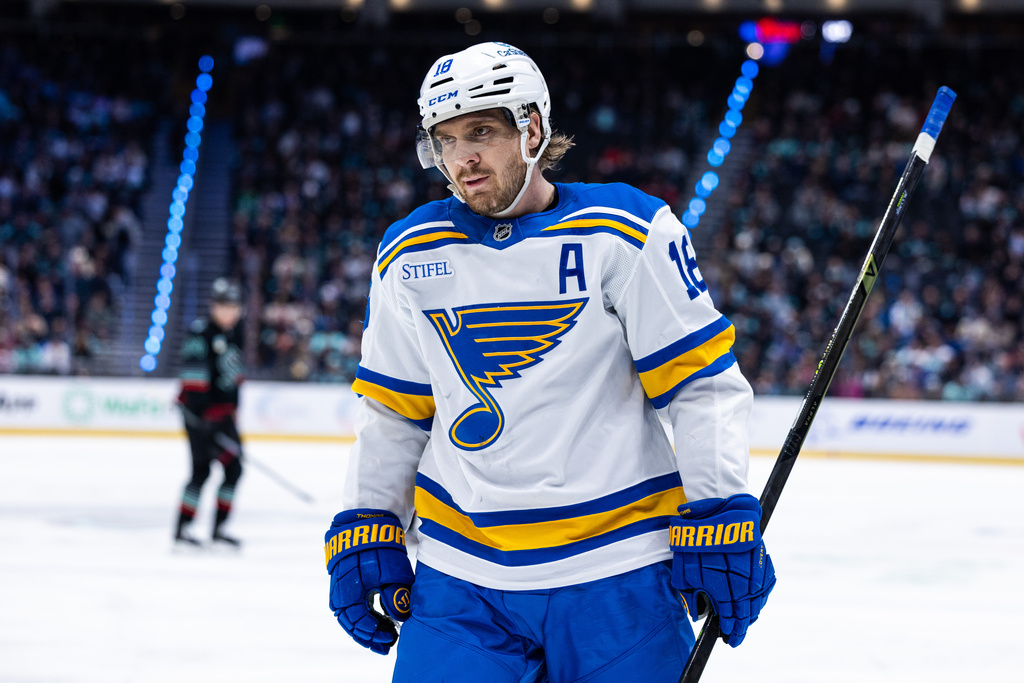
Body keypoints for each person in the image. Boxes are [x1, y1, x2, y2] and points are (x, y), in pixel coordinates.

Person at [323, 42, 776, 682]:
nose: (462, 159)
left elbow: (700, 387)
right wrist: (370, 521)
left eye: (480, 131)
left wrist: (720, 510)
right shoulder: (407, 252)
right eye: (446, 140)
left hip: (618, 574)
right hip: (461, 579)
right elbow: (394, 412)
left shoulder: (629, 230)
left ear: (532, 127)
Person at [174, 277, 246, 547]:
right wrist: (204, 418)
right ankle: (182, 528)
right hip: (200, 419)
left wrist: (234, 410)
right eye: (224, 306)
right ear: (213, 306)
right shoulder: (201, 334)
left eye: (234, 306)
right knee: (201, 471)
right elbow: (193, 382)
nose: (230, 312)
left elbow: (234, 377)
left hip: (224, 419)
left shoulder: (234, 334)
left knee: (234, 469)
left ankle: (218, 529)